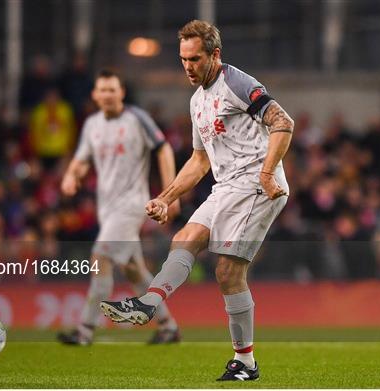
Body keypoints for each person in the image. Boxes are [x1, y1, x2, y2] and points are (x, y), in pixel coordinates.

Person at [100, 20, 294, 381]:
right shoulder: (197, 101)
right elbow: (199, 160)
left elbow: (283, 122)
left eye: (195, 58)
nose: (188, 66)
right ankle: (148, 303)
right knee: (183, 239)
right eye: (183, 59)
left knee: (227, 271)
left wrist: (267, 173)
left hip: (256, 185)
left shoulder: (237, 83)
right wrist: (165, 197)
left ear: (215, 55)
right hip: (226, 185)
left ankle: (245, 362)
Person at [57, 69, 181, 345]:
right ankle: (168, 326)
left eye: (113, 89)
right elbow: (81, 159)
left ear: (121, 92)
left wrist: (170, 193)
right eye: (103, 90)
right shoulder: (92, 125)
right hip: (108, 209)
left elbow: (164, 149)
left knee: (100, 256)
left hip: (132, 205)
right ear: (95, 95)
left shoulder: (137, 119)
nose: (108, 95)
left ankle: (85, 330)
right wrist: (70, 175)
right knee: (134, 270)